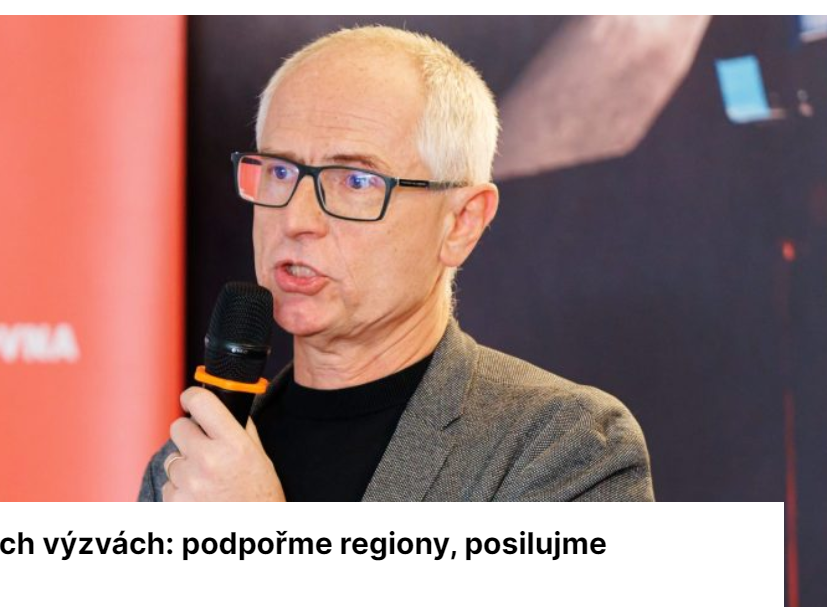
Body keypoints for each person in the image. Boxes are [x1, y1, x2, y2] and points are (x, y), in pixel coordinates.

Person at [138, 25, 654, 502]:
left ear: (462, 222)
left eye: (356, 181)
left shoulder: (567, 447)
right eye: (278, 171)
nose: (295, 219)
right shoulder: (187, 469)